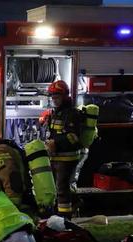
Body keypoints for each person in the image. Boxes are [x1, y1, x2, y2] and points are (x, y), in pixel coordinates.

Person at [45, 80, 84, 218]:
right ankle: (60, 213)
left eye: (57, 97)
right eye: (53, 97)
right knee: (56, 189)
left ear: (65, 96)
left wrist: (55, 143)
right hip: (55, 157)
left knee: (62, 189)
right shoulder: (56, 113)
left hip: (67, 158)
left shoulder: (72, 114)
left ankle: (65, 219)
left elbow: (73, 137)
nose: (54, 100)